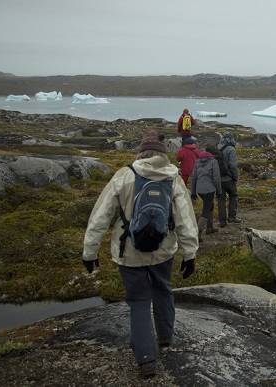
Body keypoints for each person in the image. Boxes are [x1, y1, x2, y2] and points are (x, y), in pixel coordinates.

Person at [82, 130, 199, 379]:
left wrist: (89, 251)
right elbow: (186, 221)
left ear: (141, 151)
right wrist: (190, 254)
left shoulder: (124, 175)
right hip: (163, 249)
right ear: (163, 153)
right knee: (163, 289)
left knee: (138, 301)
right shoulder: (173, 177)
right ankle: (165, 337)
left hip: (129, 252)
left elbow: (100, 216)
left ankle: (146, 358)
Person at [190, 144, 222, 238]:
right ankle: (197, 234)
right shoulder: (213, 162)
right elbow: (216, 178)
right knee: (206, 209)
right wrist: (219, 191)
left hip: (199, 190)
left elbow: (194, 177)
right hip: (209, 189)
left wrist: (193, 192)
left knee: (210, 205)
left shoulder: (197, 162)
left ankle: (210, 227)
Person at [216, 132, 241, 227]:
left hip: (218, 179)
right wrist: (236, 177)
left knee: (221, 199)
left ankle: (222, 221)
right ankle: (232, 217)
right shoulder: (231, 149)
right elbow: (233, 165)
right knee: (233, 195)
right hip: (228, 178)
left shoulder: (217, 147)